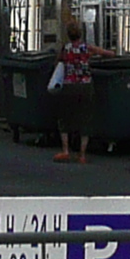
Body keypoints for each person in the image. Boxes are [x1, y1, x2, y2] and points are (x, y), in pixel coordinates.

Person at [50, 15, 97, 166]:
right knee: (85, 118)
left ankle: (65, 150)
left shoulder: (66, 49)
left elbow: (58, 62)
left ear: (68, 34)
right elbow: (109, 54)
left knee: (64, 118)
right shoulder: (86, 48)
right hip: (85, 85)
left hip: (69, 86)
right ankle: (82, 154)